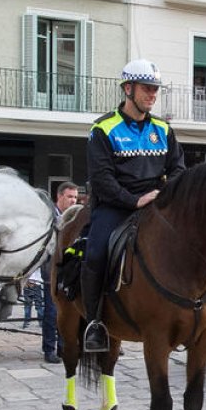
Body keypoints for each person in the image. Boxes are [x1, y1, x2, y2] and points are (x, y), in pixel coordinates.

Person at [83, 59, 185, 353]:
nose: (152, 94)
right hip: (116, 205)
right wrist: (134, 200)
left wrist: (163, 194)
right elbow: (101, 179)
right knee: (96, 252)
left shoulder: (164, 130)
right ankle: (94, 323)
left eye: (155, 89)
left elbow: (178, 168)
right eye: (146, 88)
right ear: (128, 88)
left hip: (156, 204)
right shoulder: (103, 129)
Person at [42, 181, 79, 363]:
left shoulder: (75, 218)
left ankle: (64, 347)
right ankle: (49, 349)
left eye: (75, 197)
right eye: (69, 196)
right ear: (60, 196)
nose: (73, 200)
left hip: (70, 270)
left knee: (69, 310)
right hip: (51, 270)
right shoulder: (49, 218)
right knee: (51, 311)